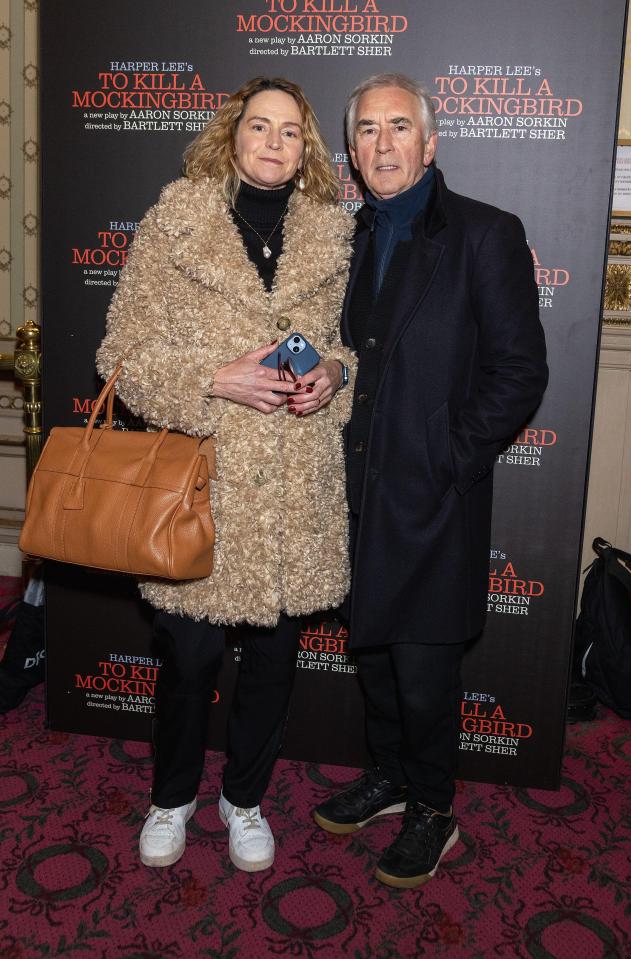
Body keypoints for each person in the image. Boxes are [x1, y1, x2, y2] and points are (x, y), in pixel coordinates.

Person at [96, 76, 356, 873]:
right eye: (259, 126)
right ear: (231, 135)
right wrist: (216, 378)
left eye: (290, 130)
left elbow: (348, 345)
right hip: (202, 489)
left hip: (292, 490)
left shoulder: (332, 234)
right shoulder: (177, 222)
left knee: (275, 663)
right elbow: (121, 355)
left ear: (306, 146)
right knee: (188, 661)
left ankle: (243, 798)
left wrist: (334, 379)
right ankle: (171, 797)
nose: (273, 141)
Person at [313, 73, 548, 888]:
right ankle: (390, 776)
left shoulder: (485, 233)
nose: (383, 144)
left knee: (422, 669)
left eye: (399, 127)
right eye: (367, 130)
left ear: (431, 140)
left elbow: (519, 372)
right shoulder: (339, 239)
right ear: (351, 150)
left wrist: (449, 457)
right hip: (348, 491)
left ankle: (433, 807)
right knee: (372, 651)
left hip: (432, 495)